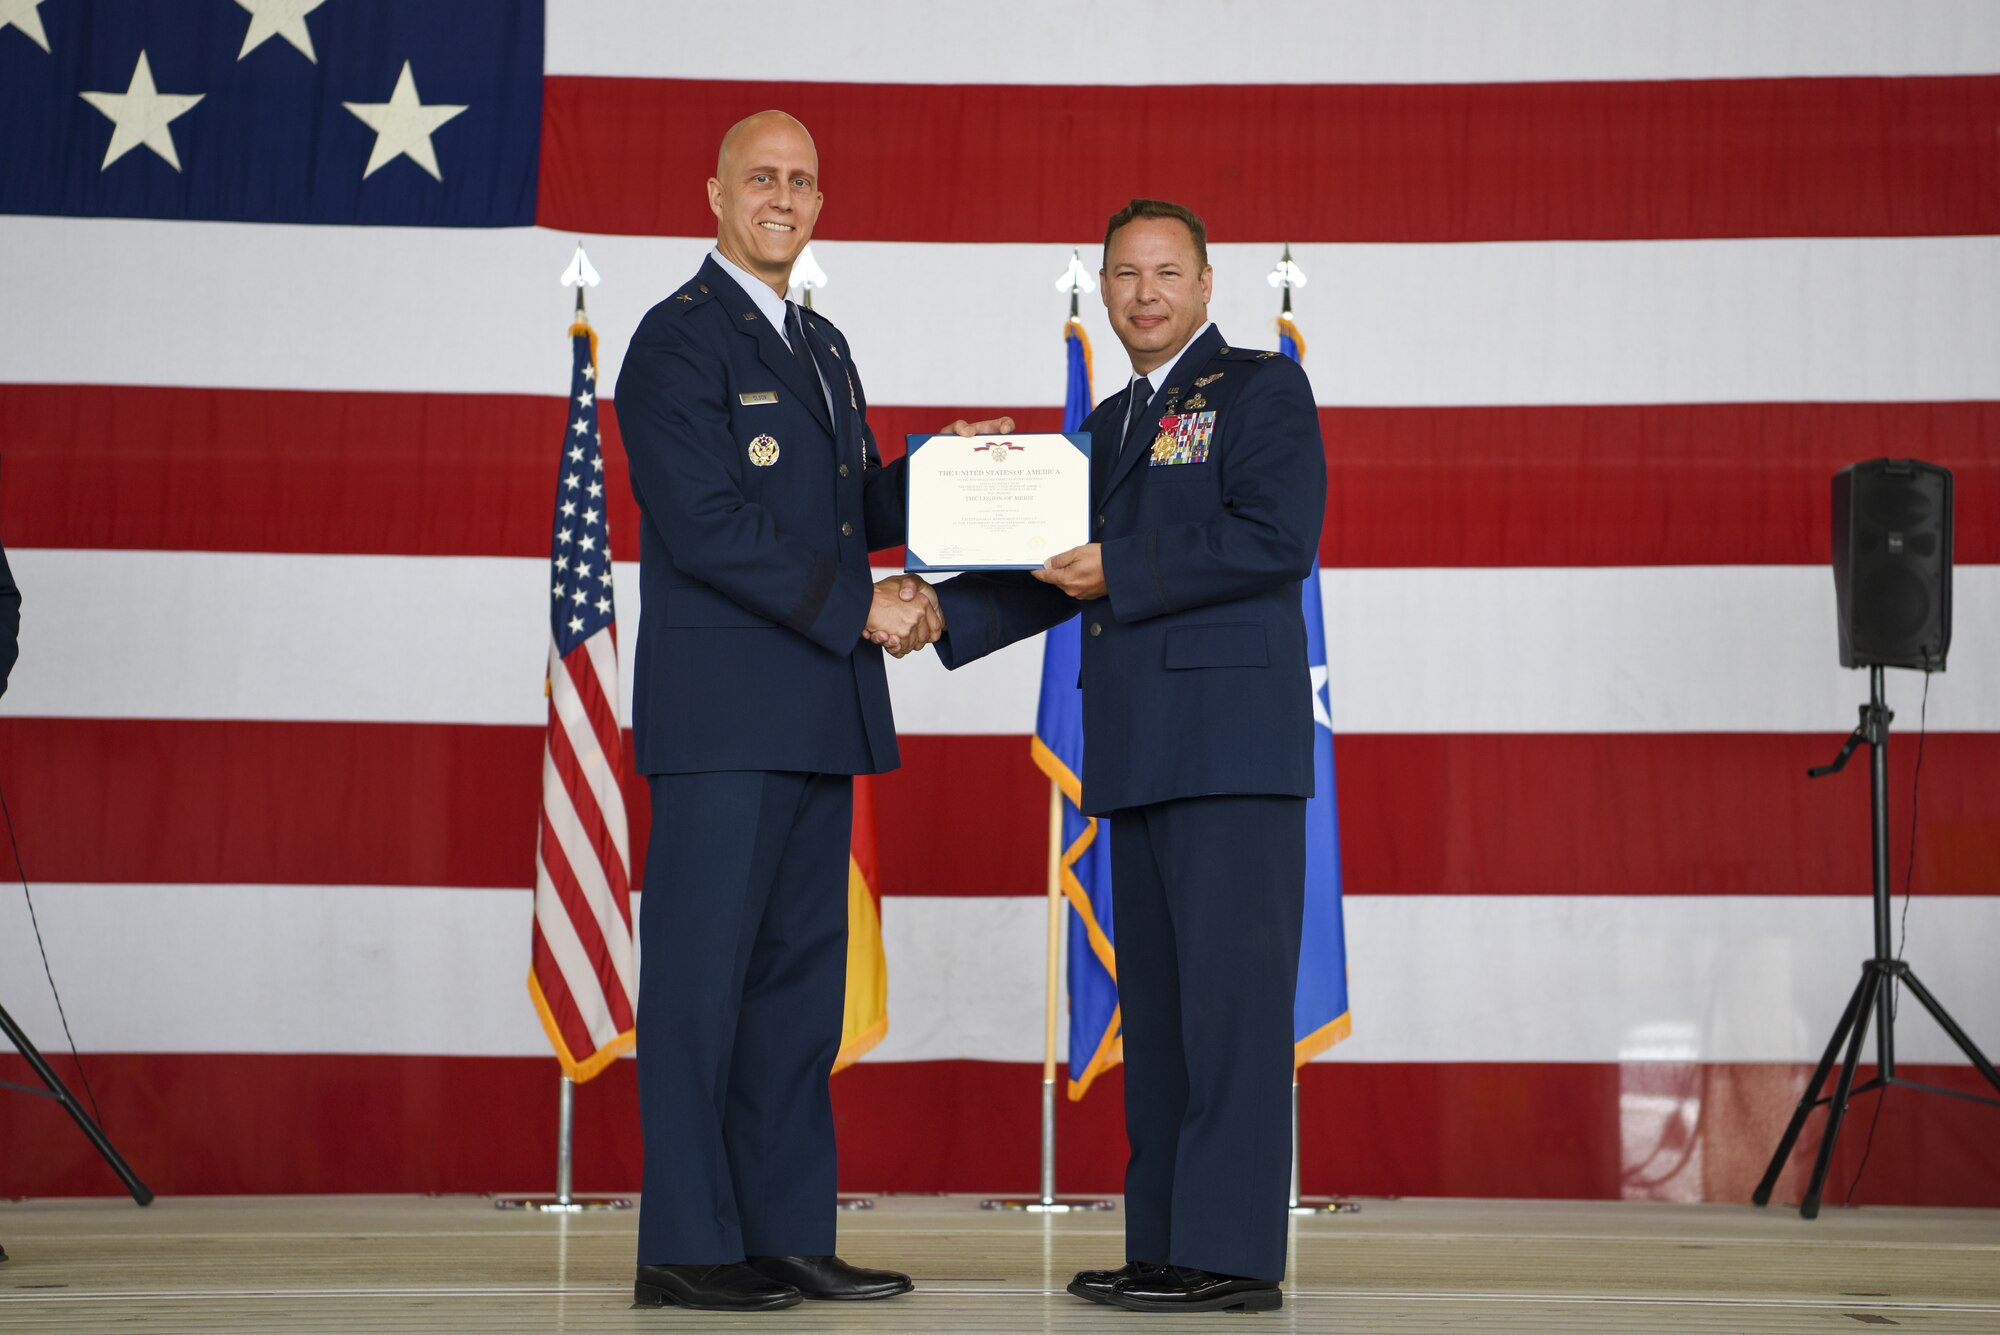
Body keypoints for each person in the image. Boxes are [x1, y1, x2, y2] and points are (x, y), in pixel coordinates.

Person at [613, 110, 1005, 1312]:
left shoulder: (821, 343)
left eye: (801, 181)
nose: (782, 196)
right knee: (699, 991)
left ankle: (782, 1233)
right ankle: (687, 1244)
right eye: (761, 178)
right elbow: (710, 528)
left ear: (820, 204)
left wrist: (950, 474)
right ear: (715, 194)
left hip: (813, 714)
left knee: (793, 993)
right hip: (726, 718)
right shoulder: (673, 344)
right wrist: (863, 614)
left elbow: (842, 506)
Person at [913, 199, 1327, 1313]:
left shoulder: (1260, 390)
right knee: (1163, 1014)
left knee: (1232, 1017)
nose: (1142, 293)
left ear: (1203, 284)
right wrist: (932, 611)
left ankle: (1231, 1259)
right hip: (1140, 749)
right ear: (1101, 289)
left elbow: (1274, 537)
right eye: (1123, 275)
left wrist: (1125, 567)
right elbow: (1049, 564)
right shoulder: (1105, 420)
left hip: (1232, 754)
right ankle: (1165, 1245)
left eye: (1164, 273)